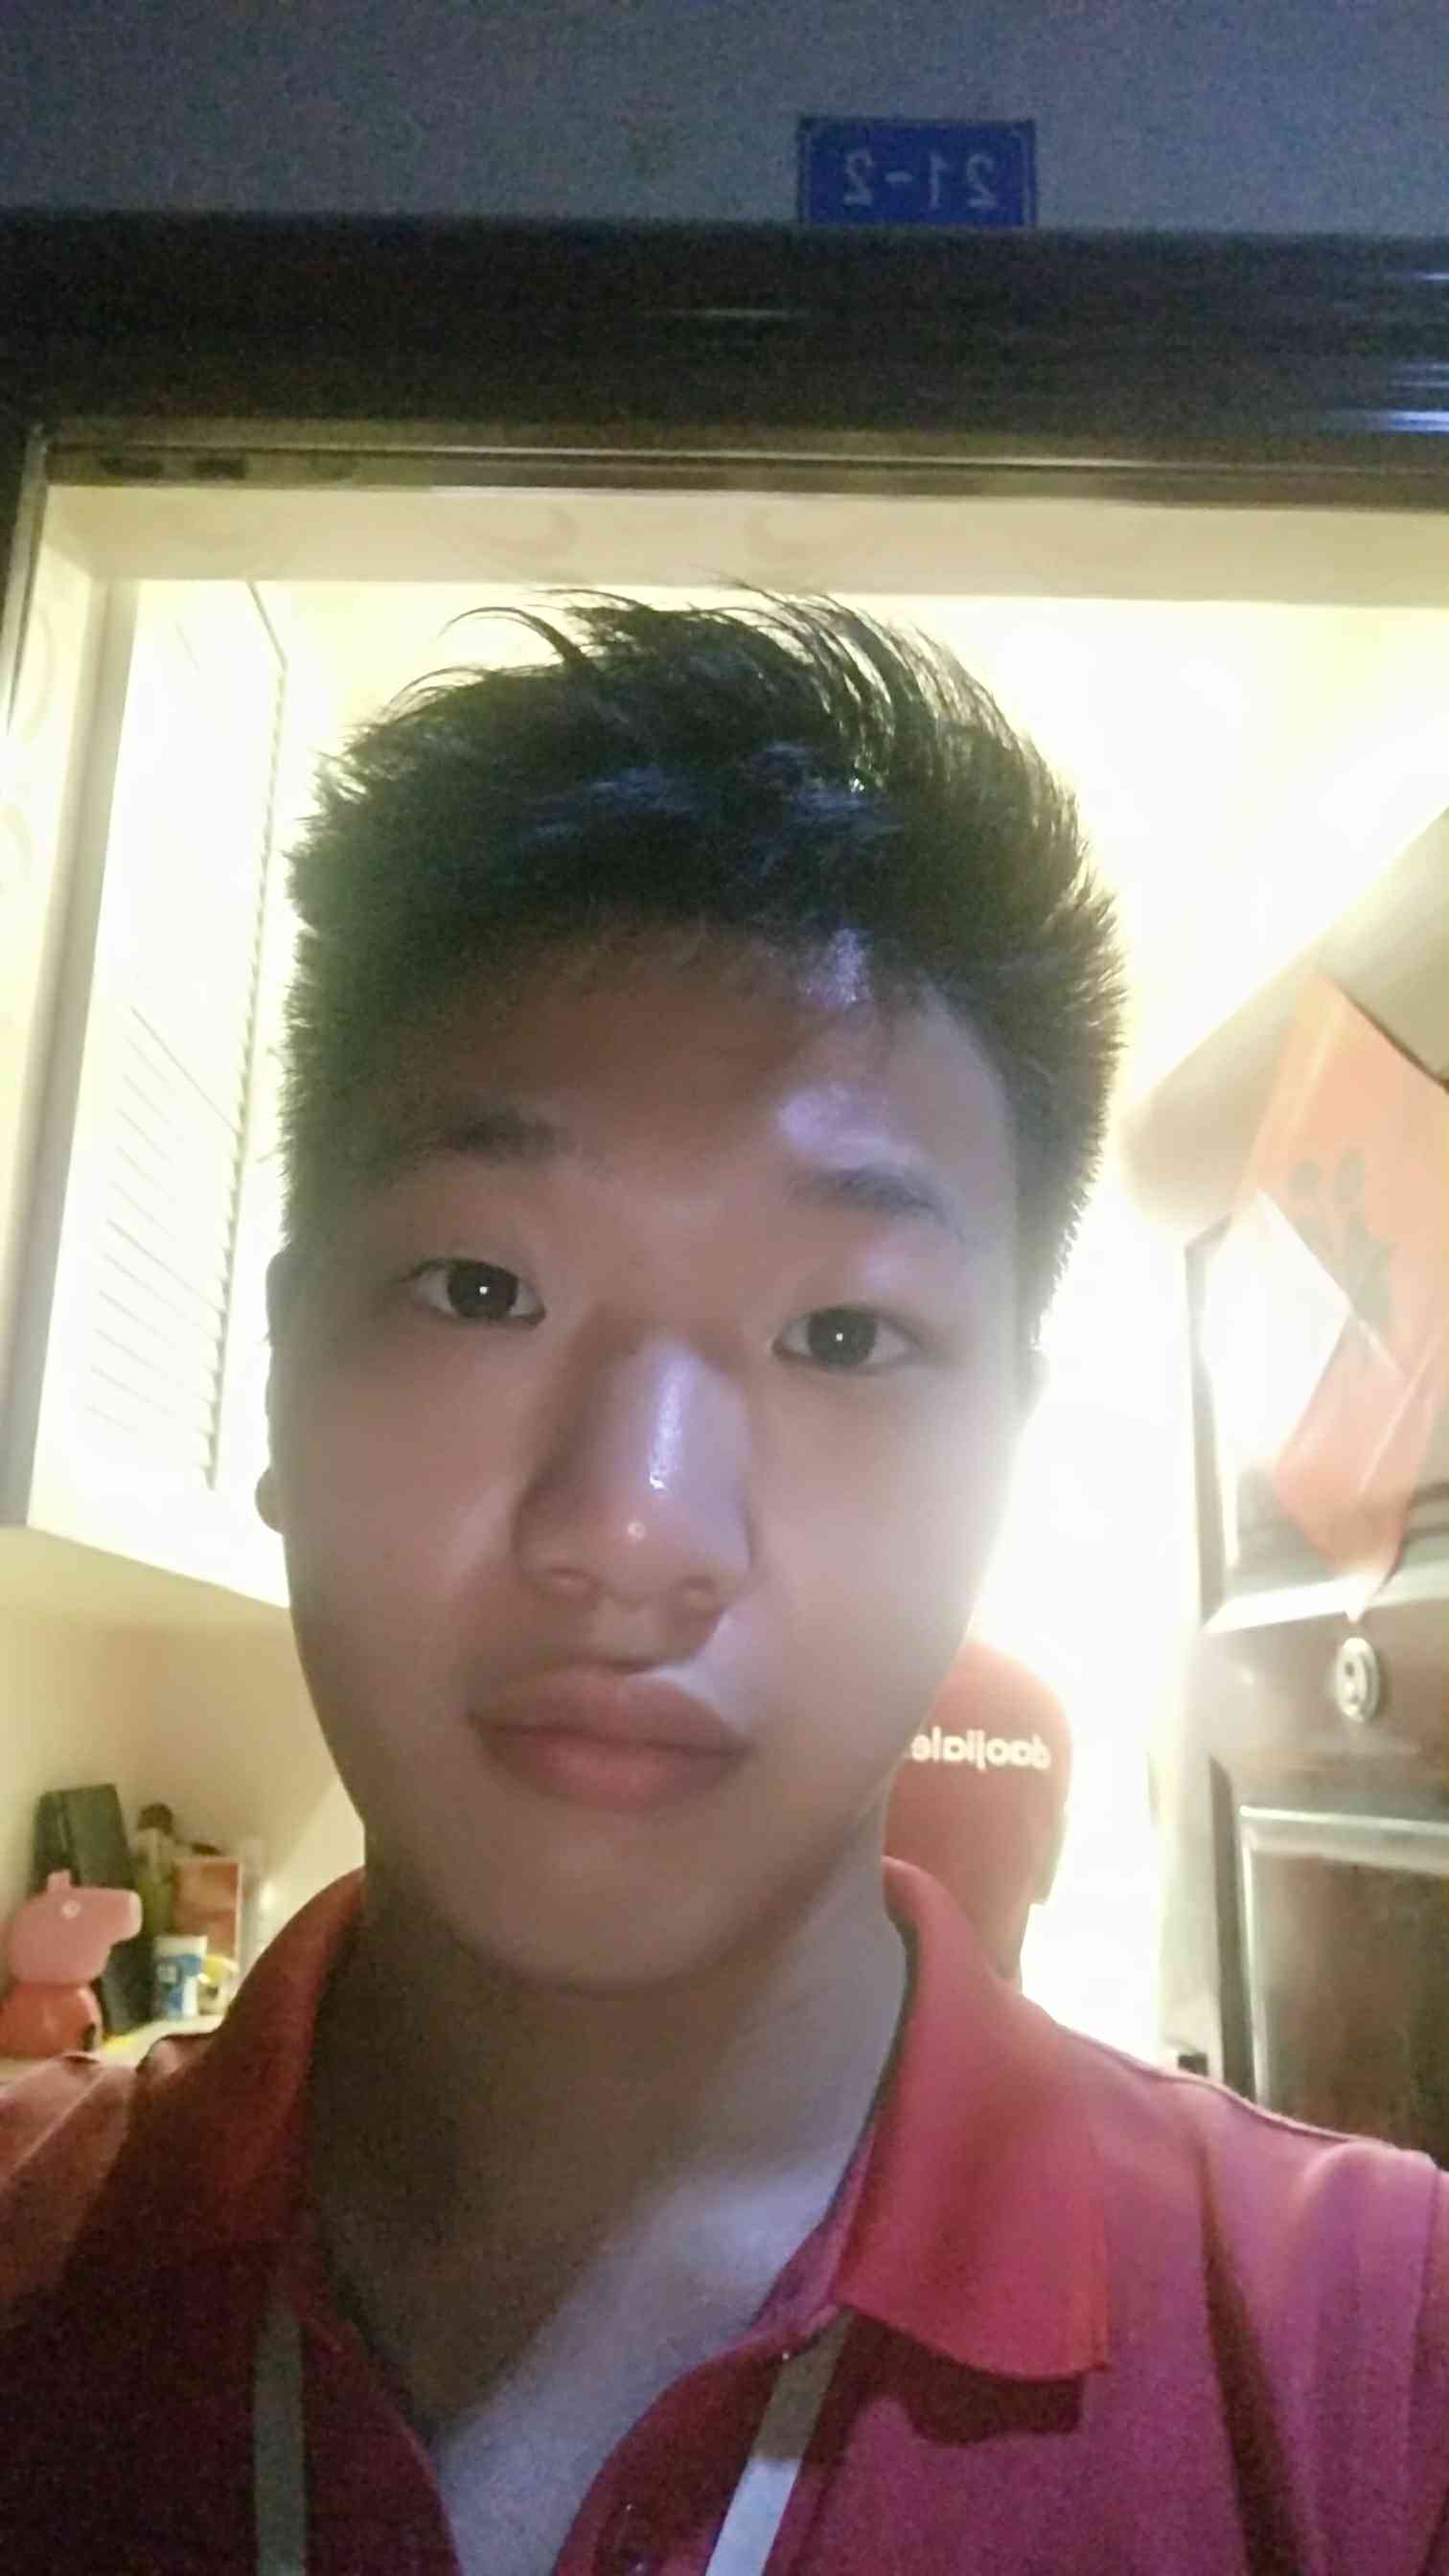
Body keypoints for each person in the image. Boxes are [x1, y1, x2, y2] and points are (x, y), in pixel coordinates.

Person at [2, 595, 1447, 2575]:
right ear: (280, 1377)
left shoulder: (1373, 2361)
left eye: (842, 1335)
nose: (632, 1529)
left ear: (1000, 1457)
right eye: (481, 1286)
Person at [884, 1639, 1070, 1980]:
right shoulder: (1033, 1706)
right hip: (989, 1998)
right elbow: (1043, 1875)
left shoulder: (847, 1705)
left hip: (856, 1997)